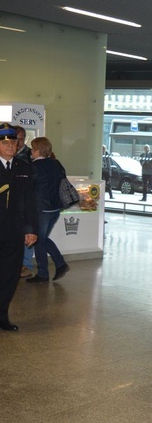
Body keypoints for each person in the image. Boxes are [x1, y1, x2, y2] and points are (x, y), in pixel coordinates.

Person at [0, 123, 37, 331]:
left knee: (9, 275)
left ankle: (2, 315)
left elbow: (30, 201)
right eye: (5, 142)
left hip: (13, 231)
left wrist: (31, 228)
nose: (10, 146)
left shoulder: (24, 168)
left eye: (13, 142)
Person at [25, 137, 71, 283]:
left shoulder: (33, 167)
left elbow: (29, 189)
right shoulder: (56, 164)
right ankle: (59, 265)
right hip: (55, 208)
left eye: (32, 149)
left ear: (38, 151)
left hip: (41, 209)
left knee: (39, 240)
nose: (31, 152)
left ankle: (45, 273)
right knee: (42, 238)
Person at [14, 125, 34, 277]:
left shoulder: (29, 156)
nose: (18, 143)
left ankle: (25, 265)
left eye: (20, 140)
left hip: (25, 204)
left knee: (27, 233)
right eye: (16, 139)